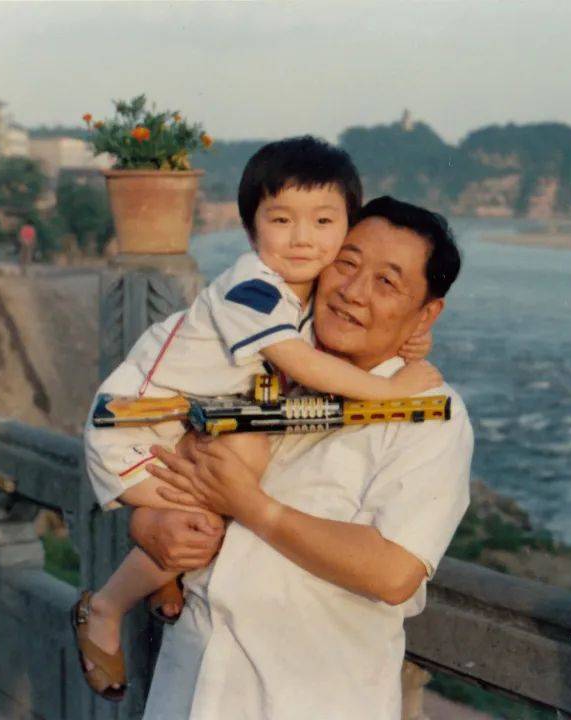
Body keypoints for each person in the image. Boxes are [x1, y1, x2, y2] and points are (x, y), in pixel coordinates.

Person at [74, 139, 441, 701]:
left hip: (180, 426)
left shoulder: (307, 296)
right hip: (135, 429)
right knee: (208, 513)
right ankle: (105, 606)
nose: (303, 238)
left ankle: (161, 578)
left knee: (228, 478)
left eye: (323, 222)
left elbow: (347, 338)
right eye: (281, 220)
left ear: (346, 227)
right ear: (251, 231)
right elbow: (303, 363)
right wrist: (391, 389)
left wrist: (414, 337)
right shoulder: (252, 290)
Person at [136, 197, 473, 719]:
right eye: (346, 263)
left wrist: (252, 506)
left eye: (386, 282)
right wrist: (150, 527)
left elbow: (394, 572)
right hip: (189, 690)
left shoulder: (431, 416)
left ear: (426, 313)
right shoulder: (252, 367)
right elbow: (162, 468)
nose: (353, 291)